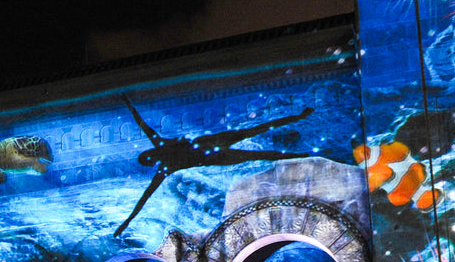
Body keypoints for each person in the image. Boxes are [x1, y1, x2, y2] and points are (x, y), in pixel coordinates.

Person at [114, 94, 314, 238]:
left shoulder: (161, 146)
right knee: (257, 153)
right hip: (215, 154)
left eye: (147, 155)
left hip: (210, 143)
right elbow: (144, 198)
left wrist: (127, 103)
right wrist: (126, 223)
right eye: (148, 157)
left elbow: (140, 122)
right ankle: (300, 153)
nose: (150, 155)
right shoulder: (165, 166)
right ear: (150, 160)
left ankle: (299, 119)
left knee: (254, 134)